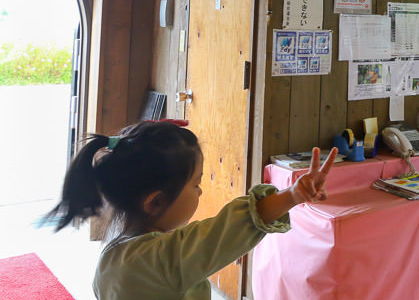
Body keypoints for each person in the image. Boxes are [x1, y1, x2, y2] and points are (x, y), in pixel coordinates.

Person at [45, 120, 337, 300]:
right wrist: (292, 195)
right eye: (196, 184)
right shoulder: (160, 259)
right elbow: (228, 230)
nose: (200, 191)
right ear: (155, 202)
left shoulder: (115, 251)